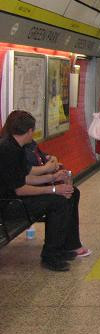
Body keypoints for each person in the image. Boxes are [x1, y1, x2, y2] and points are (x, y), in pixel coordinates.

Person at [0, 111, 74, 271]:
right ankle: (50, 256)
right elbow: (20, 190)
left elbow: (25, 178)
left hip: (13, 198)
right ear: (28, 132)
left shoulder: (13, 146)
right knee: (58, 202)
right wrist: (54, 189)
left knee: (63, 197)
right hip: (9, 205)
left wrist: (52, 179)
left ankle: (59, 249)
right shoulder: (8, 150)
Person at [23, 139, 91, 258]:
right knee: (60, 200)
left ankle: (71, 243)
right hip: (21, 199)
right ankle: (53, 251)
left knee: (72, 192)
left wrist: (52, 175)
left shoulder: (29, 144)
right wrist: (53, 185)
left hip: (35, 188)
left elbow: (46, 159)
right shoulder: (13, 151)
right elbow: (22, 183)